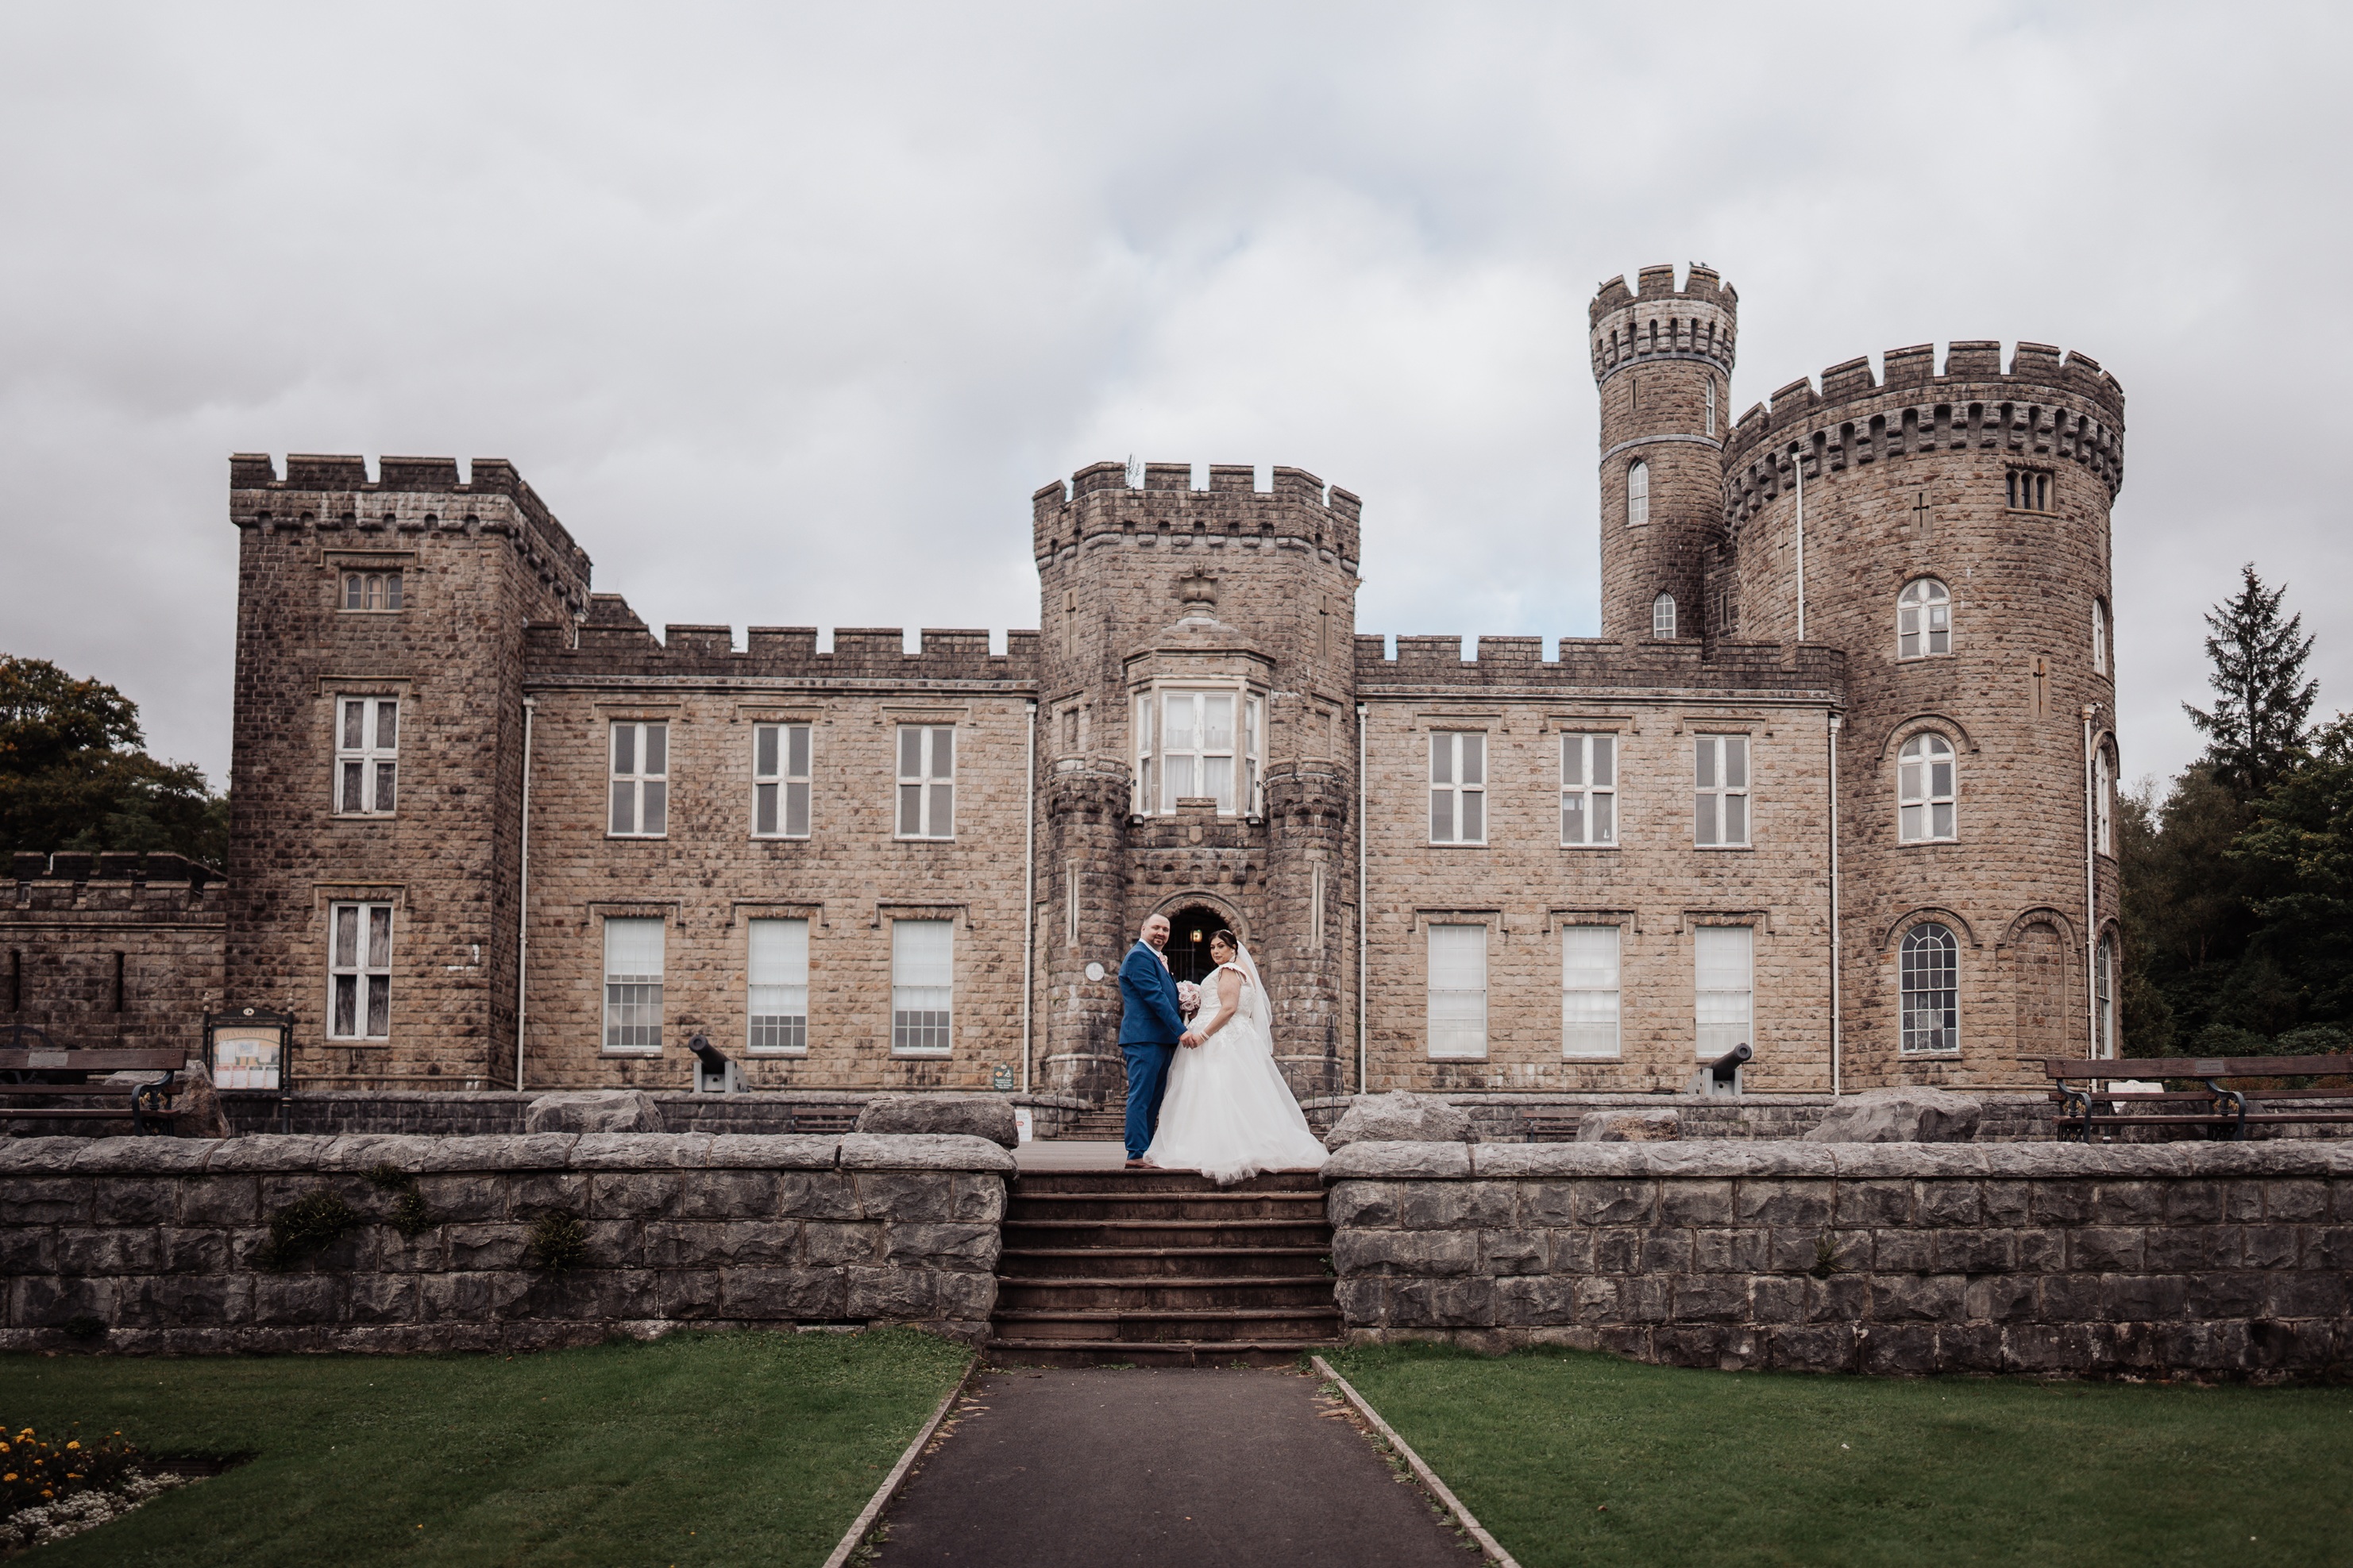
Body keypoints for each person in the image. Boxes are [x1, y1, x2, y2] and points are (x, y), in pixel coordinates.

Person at [1145, 929, 1329, 1185]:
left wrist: (1203, 1035)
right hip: (1236, 1037)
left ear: (1234, 948)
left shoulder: (1230, 970)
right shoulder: (1243, 969)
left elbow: (1229, 1008)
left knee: (1214, 1091)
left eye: (1221, 946)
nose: (1216, 951)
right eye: (1212, 948)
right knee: (1233, 1093)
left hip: (1219, 1039)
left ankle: (1215, 1149)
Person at [1116, 913, 1186, 1169]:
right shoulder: (1139, 957)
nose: (1161, 933)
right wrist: (1181, 1030)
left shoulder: (1156, 958)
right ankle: (1135, 1152)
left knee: (1154, 1099)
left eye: (1166, 930)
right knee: (1141, 1096)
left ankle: (1144, 1151)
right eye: (1156, 927)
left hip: (1160, 1039)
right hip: (1144, 1038)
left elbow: (1167, 996)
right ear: (1143, 928)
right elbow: (1155, 997)